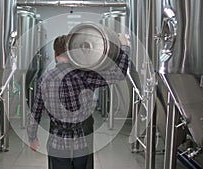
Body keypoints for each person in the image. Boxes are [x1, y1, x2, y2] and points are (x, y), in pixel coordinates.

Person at [27, 33, 130, 169]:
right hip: (80, 141)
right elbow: (119, 74)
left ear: (55, 53)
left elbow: (36, 112)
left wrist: (32, 137)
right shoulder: (85, 76)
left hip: (56, 142)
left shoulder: (44, 79)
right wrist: (125, 47)